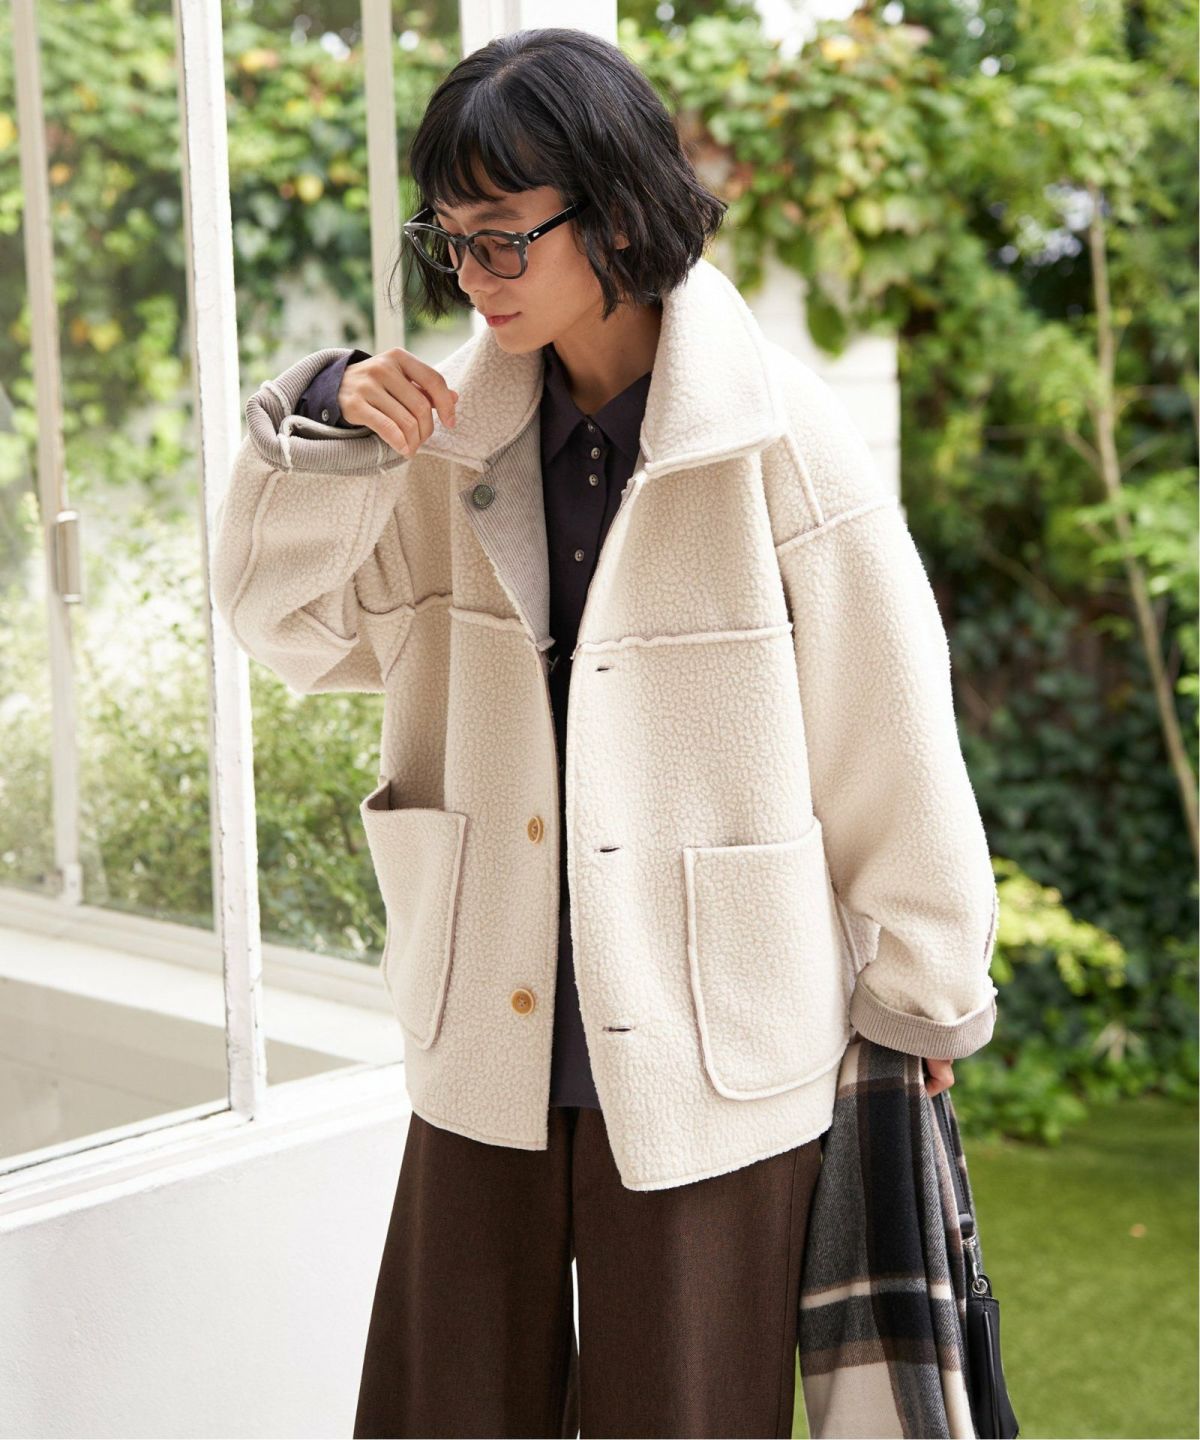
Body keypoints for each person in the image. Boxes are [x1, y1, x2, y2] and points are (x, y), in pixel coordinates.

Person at [211, 26, 999, 1439]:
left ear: (619, 212)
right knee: (445, 1412)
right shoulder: (437, 441)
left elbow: (889, 726)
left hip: (713, 1039)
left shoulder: (780, 439)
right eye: (448, 239)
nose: (471, 276)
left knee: (684, 1417)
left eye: (503, 236)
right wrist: (325, 426)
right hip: (488, 1024)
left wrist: (924, 984)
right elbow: (292, 629)